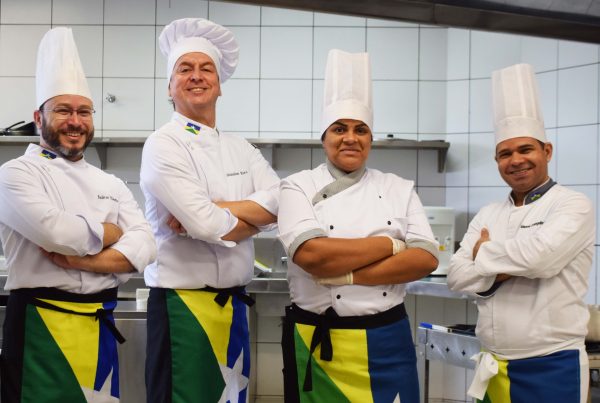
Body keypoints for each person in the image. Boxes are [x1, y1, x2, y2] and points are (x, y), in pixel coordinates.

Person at [0, 27, 156, 402]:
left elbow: (147, 244)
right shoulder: (15, 174)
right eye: (63, 111)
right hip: (41, 324)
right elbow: (57, 234)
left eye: (84, 111)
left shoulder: (109, 182)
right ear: (39, 117)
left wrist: (82, 261)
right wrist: (111, 232)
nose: (75, 121)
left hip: (99, 323)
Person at [277, 49, 439, 403]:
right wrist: (391, 246)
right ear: (324, 138)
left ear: (370, 139)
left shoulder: (398, 187)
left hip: (387, 341)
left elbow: (426, 258)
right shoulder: (297, 186)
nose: (350, 138)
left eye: (360, 130)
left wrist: (348, 276)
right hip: (321, 342)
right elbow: (314, 257)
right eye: (340, 129)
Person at [140, 18, 280, 403]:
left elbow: (279, 202)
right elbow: (204, 224)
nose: (196, 76)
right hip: (180, 309)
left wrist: (218, 212)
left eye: (206, 69)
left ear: (219, 85)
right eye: (185, 68)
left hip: (233, 307)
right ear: (170, 86)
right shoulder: (163, 144)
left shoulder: (240, 148)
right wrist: (251, 218)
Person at [447, 63, 594, 403]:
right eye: (505, 153)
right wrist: (513, 264)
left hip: (553, 365)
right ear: (497, 160)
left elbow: (541, 259)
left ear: (547, 151)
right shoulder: (489, 213)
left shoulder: (573, 204)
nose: (516, 160)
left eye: (525, 149)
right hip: (494, 365)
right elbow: (456, 276)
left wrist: (483, 254)